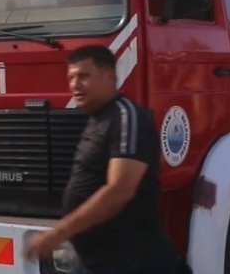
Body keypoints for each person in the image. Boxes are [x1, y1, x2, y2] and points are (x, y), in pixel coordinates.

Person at [24, 45, 179, 274]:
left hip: (134, 264)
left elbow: (119, 190)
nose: (75, 85)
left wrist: (57, 234)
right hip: (98, 262)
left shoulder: (127, 117)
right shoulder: (98, 119)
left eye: (84, 76)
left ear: (108, 76)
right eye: (71, 78)